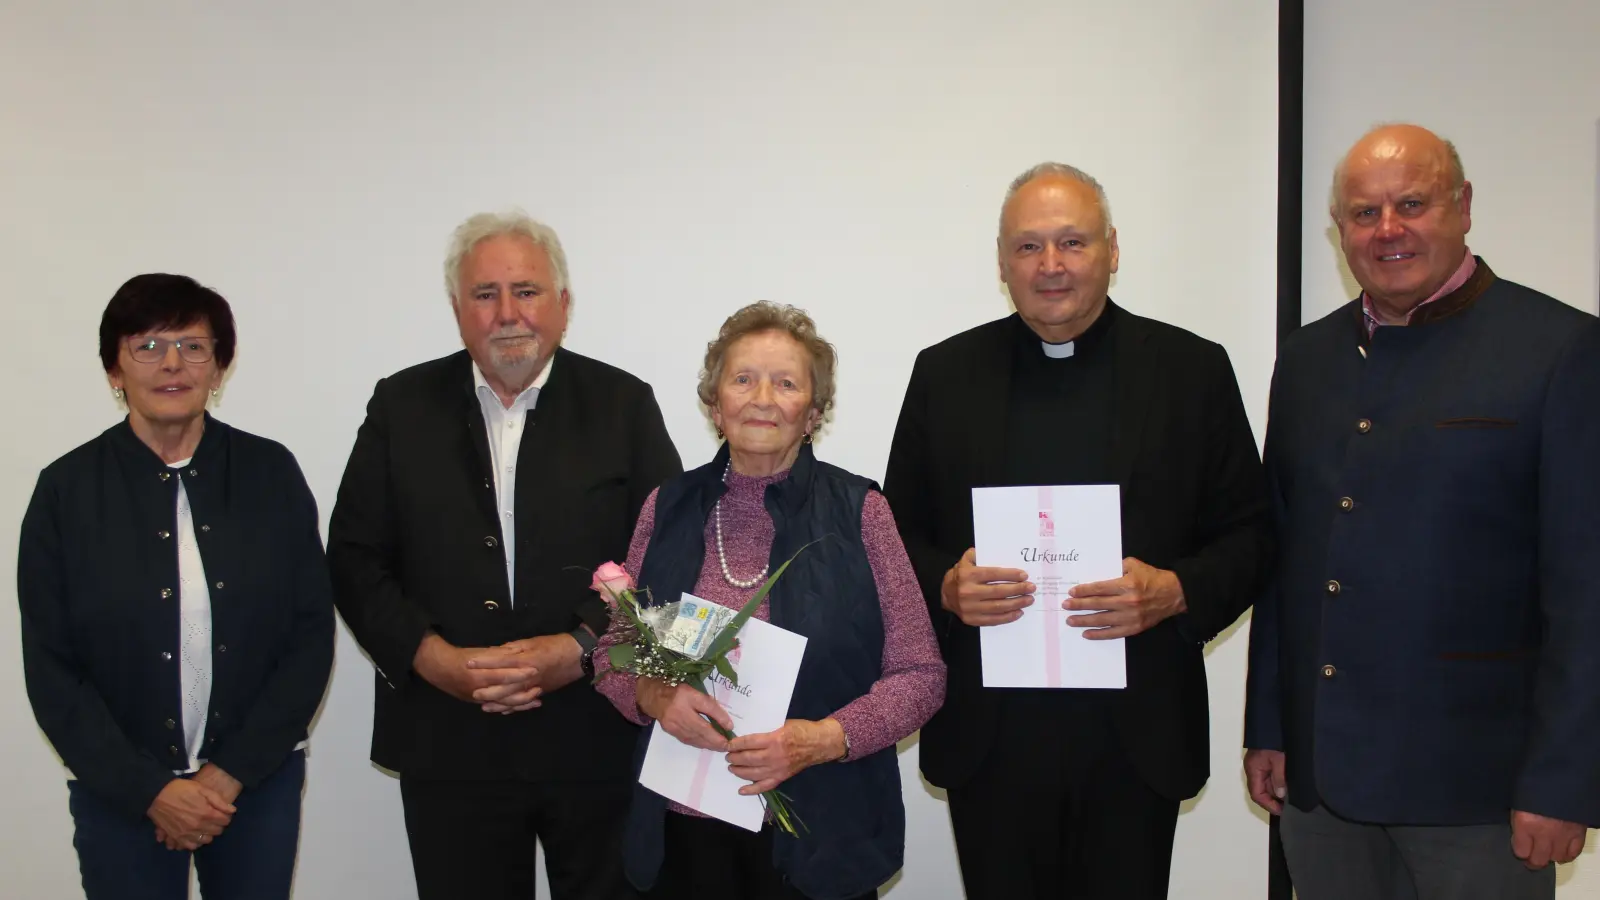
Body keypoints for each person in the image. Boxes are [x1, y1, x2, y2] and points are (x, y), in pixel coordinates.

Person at [882, 162, 1272, 899]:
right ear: (1002, 262)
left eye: (1073, 242)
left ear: (1113, 250)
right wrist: (945, 583)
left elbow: (1253, 537)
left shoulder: (1191, 371)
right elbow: (896, 533)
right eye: (1029, 247)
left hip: (1136, 734)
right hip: (991, 737)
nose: (1051, 266)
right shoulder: (945, 373)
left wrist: (1176, 591)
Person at [1243, 124, 1600, 900]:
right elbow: (1286, 558)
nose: (1388, 230)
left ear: (1464, 206)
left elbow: (1588, 588)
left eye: (1412, 203)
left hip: (1479, 791)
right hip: (1321, 787)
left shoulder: (1562, 350)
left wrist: (1564, 781)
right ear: (1339, 232)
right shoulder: (1307, 359)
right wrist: (1270, 729)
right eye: (1364, 214)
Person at [327, 210, 682, 900]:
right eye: (485, 295)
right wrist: (432, 658)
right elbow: (354, 558)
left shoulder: (622, 404)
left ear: (564, 305)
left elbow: (663, 555)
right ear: (459, 311)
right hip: (450, 739)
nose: (508, 314)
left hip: (596, 733)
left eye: (527, 290)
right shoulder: (400, 406)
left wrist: (580, 646)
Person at [594, 301, 945, 900]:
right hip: (682, 838)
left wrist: (820, 739)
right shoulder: (667, 507)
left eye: (785, 383)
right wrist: (651, 696)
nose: (761, 397)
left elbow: (921, 676)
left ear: (812, 413)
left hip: (820, 836)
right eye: (742, 379)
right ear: (715, 405)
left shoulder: (861, 511)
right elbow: (611, 654)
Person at [18, 274, 335, 899]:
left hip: (254, 786)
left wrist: (228, 776)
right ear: (114, 368)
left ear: (219, 366)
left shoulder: (270, 472)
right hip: (119, 791)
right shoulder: (66, 491)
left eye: (194, 346)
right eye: (148, 345)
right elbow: (51, 668)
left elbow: (308, 638)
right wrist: (152, 791)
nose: (173, 364)